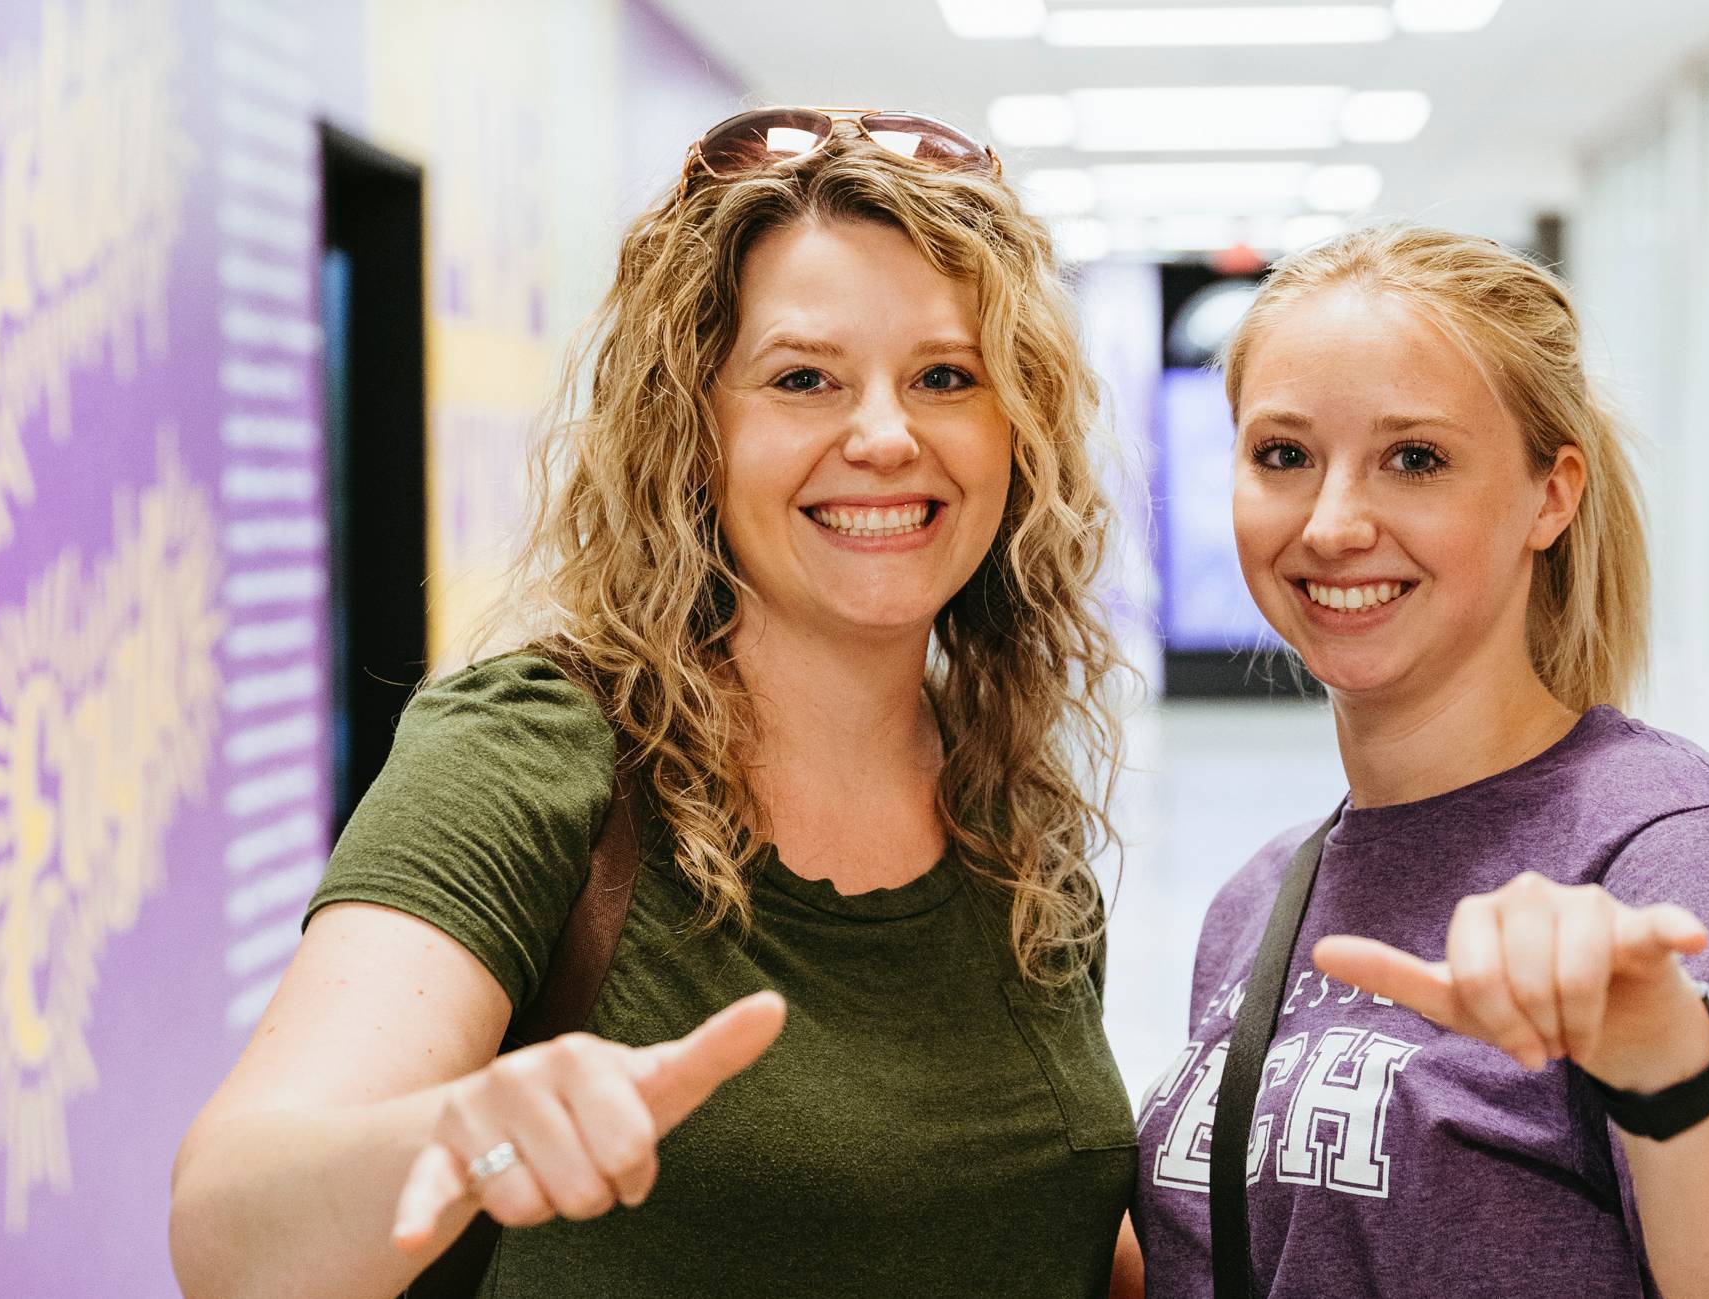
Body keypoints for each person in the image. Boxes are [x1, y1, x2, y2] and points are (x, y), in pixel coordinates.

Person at [170, 108, 1139, 1299]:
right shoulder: (537, 753)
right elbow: (231, 1229)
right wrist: (469, 1130)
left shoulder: (1011, 815)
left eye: (945, 377)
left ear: (1016, 432)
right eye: (803, 379)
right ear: (694, 433)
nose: (886, 435)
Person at [1124, 224, 1709, 1298]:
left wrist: (1665, 1053)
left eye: (1415, 459)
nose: (1335, 524)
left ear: (1551, 495)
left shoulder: (1650, 841)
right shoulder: (1258, 900)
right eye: (1284, 455)